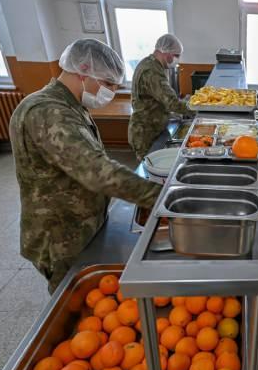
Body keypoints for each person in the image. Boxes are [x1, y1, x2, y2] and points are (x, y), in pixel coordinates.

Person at [10, 39, 162, 294]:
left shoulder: (71, 105)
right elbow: (99, 172)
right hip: (61, 234)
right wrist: (161, 197)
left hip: (80, 222)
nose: (111, 91)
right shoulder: (48, 112)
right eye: (108, 84)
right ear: (82, 71)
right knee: (77, 304)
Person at [129, 33, 195, 161]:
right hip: (145, 132)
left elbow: (159, 99)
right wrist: (199, 109)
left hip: (154, 126)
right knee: (150, 166)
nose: (177, 59)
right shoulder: (152, 71)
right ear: (166, 52)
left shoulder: (152, 64)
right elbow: (172, 103)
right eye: (176, 56)